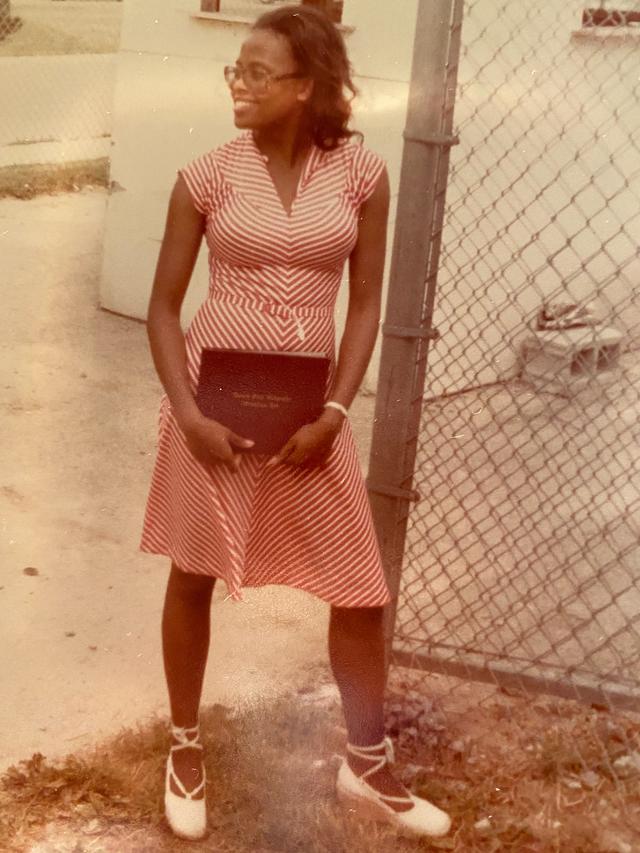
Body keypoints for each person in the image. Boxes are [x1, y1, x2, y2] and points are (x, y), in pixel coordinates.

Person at [139, 3, 451, 842]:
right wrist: (190, 412)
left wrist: (339, 409)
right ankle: (184, 745)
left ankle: (366, 761)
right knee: (194, 570)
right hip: (212, 413)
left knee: (358, 585)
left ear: (304, 85)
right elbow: (163, 310)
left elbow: (366, 304)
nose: (236, 83)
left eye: (255, 71)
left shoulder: (361, 175)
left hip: (314, 418)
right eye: (232, 69)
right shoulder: (204, 175)